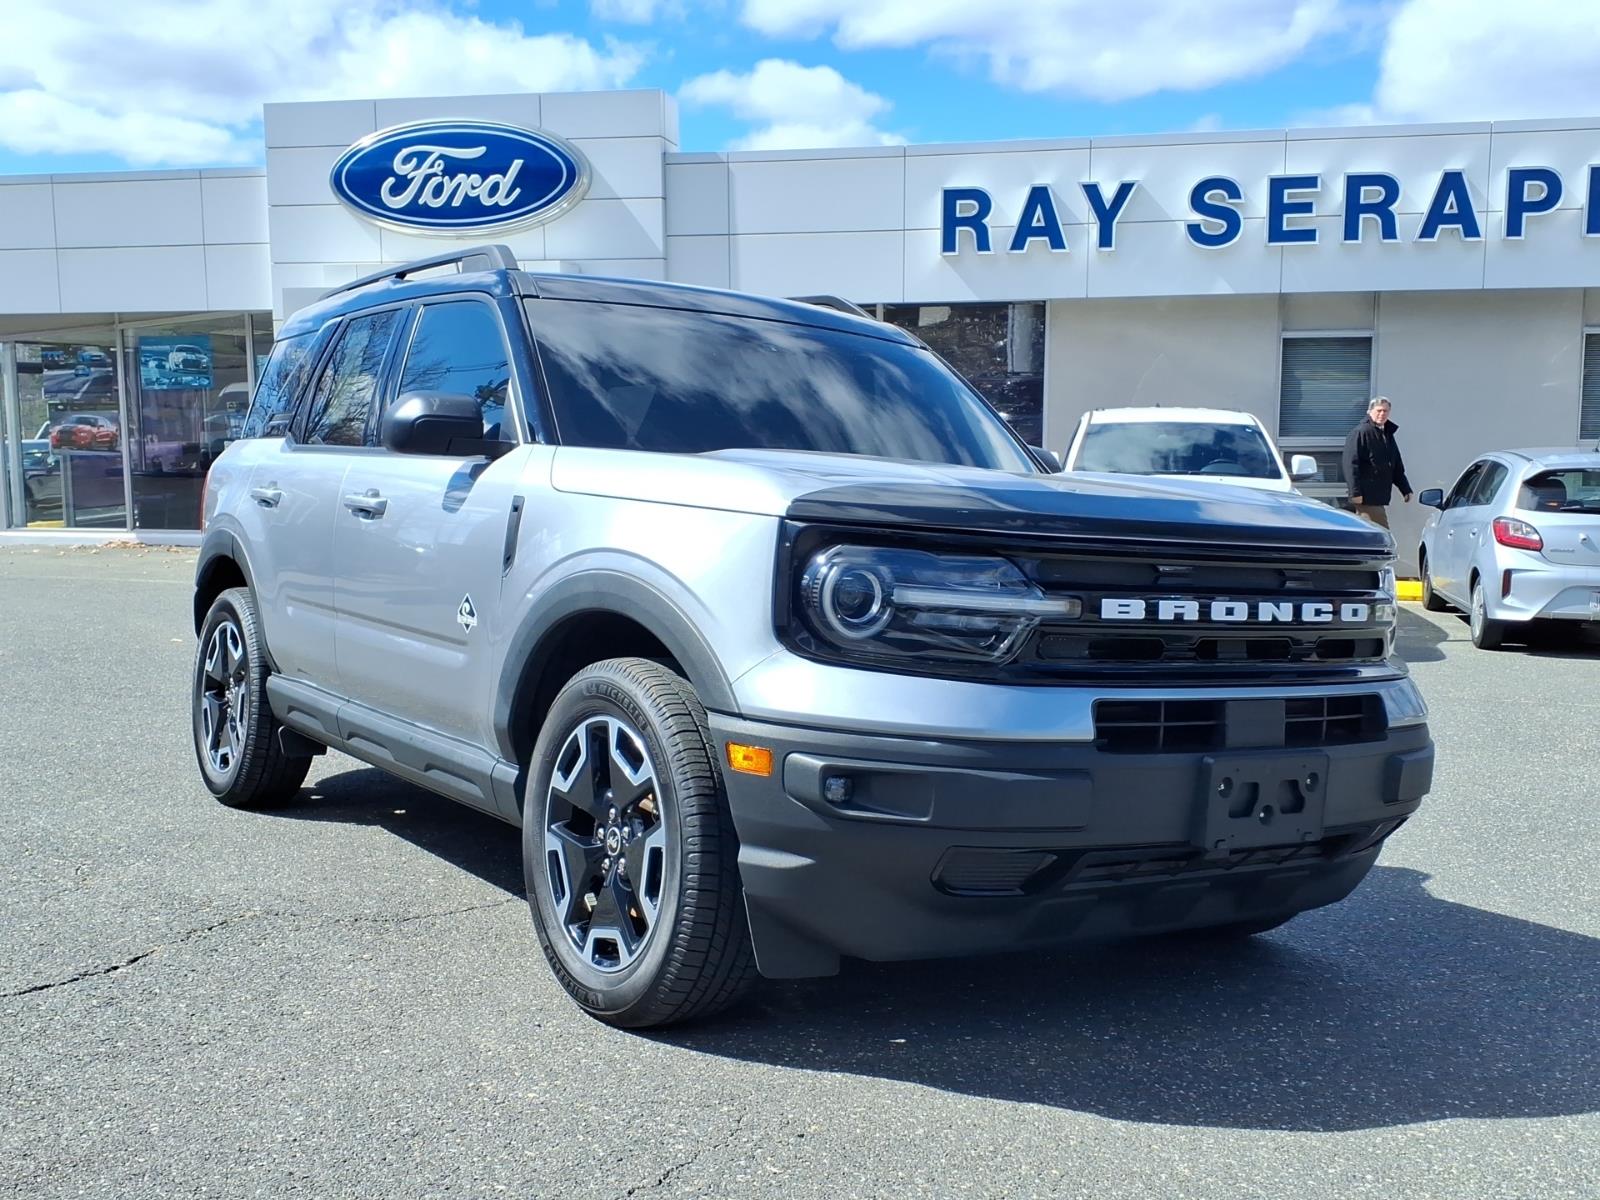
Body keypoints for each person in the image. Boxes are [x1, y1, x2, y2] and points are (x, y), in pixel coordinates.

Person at [1343, 395, 1412, 528]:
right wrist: (1355, 493)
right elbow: (1350, 464)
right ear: (1370, 412)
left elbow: (1395, 465)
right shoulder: (1361, 432)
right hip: (1366, 497)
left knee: (1369, 535)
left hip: (1379, 496)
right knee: (1381, 534)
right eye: (1378, 410)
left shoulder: (1386, 434)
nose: (1382, 414)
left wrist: (1405, 489)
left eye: (1385, 411)